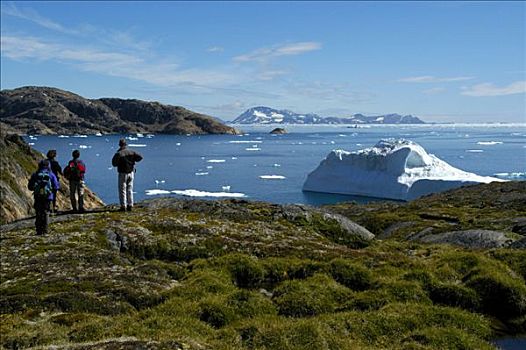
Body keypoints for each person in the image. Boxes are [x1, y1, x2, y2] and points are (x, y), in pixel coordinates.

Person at [28, 160, 59, 235]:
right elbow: (56, 186)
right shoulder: (51, 174)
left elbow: (30, 187)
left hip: (38, 196)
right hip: (48, 196)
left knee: (38, 212)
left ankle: (38, 230)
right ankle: (45, 230)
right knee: (46, 212)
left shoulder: (35, 174)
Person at [112, 138, 143, 211]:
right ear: (126, 144)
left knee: (122, 190)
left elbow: (114, 164)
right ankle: (130, 205)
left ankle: (123, 206)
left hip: (123, 173)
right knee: (130, 189)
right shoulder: (132, 152)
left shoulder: (119, 153)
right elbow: (140, 157)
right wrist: (134, 161)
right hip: (131, 172)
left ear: (120, 145)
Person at [46, 149, 62, 214]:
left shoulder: (45, 162)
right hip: (54, 180)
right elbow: (60, 170)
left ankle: (47, 207)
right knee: (53, 194)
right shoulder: (55, 163)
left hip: (46, 180)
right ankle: (52, 207)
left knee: (46, 193)